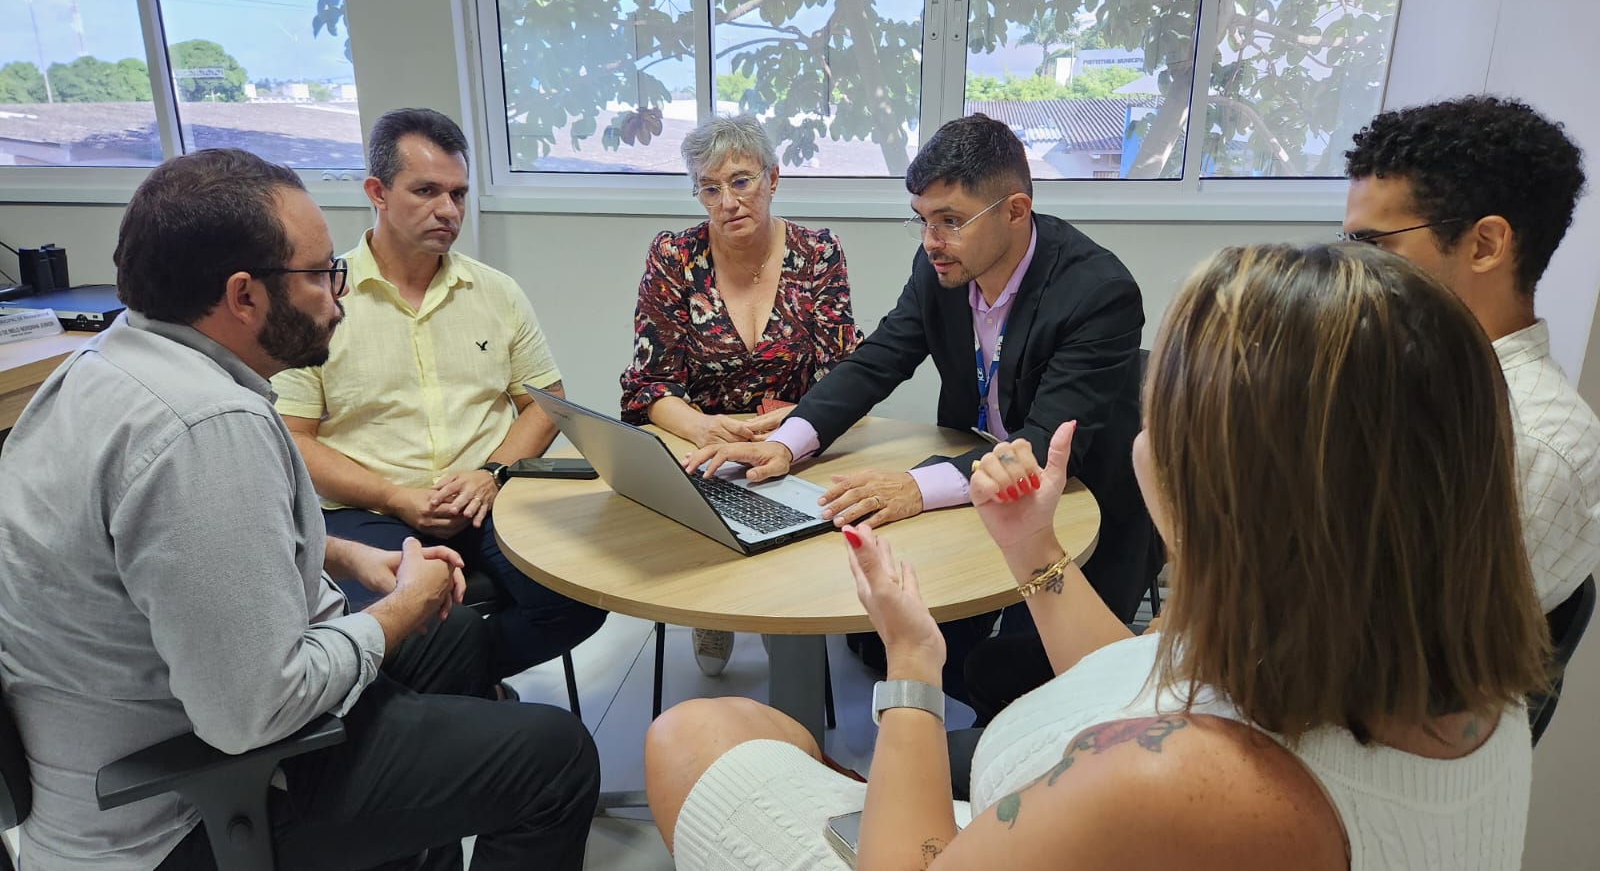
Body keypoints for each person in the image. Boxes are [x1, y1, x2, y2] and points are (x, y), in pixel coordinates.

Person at [644, 242, 1549, 871]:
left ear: (1228, 492)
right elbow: (1150, 678)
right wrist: (1036, 555)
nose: (1143, 423)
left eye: (1163, 404)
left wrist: (915, 672)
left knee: (697, 730)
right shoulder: (1454, 678)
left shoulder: (1174, 780)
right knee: (771, 733)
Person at [0, 148, 599, 870]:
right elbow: (255, 713)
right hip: (187, 812)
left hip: (179, 739)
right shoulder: (206, 427)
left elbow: (179, 556)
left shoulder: (110, 365)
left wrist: (343, 555)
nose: (337, 297)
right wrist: (404, 607)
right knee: (555, 758)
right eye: (319, 275)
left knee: (456, 643)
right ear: (244, 295)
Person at [684, 113, 1151, 700]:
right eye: (923, 221)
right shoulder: (943, 268)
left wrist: (915, 487)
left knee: (1015, 679)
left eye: (950, 221)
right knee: (883, 642)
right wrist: (786, 442)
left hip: (1081, 505)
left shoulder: (1098, 291)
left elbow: (1039, 448)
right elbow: (878, 359)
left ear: (1014, 210)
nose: (932, 242)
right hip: (971, 488)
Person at [273, 108, 606, 684]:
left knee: (584, 595)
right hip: (369, 508)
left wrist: (491, 472)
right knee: (413, 617)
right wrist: (396, 496)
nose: (448, 211)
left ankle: (455, 684)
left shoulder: (495, 292)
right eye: (426, 191)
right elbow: (295, 439)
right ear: (377, 191)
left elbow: (544, 401)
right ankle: (457, 688)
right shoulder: (319, 297)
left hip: (486, 494)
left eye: (458, 193)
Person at [621, 113, 863, 675]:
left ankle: (788, 614)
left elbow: (846, 369)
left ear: (773, 178)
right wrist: (703, 428)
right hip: (704, 445)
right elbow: (646, 382)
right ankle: (716, 608)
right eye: (710, 187)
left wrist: (796, 425)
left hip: (798, 438)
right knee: (706, 519)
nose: (727, 201)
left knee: (790, 593)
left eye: (741, 180)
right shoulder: (673, 256)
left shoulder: (819, 253)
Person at [1343, 94, 1600, 611]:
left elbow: (1392, 655)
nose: (1350, 269)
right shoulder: (1407, 378)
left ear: (1485, 245)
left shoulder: (1531, 445)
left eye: (1373, 246)